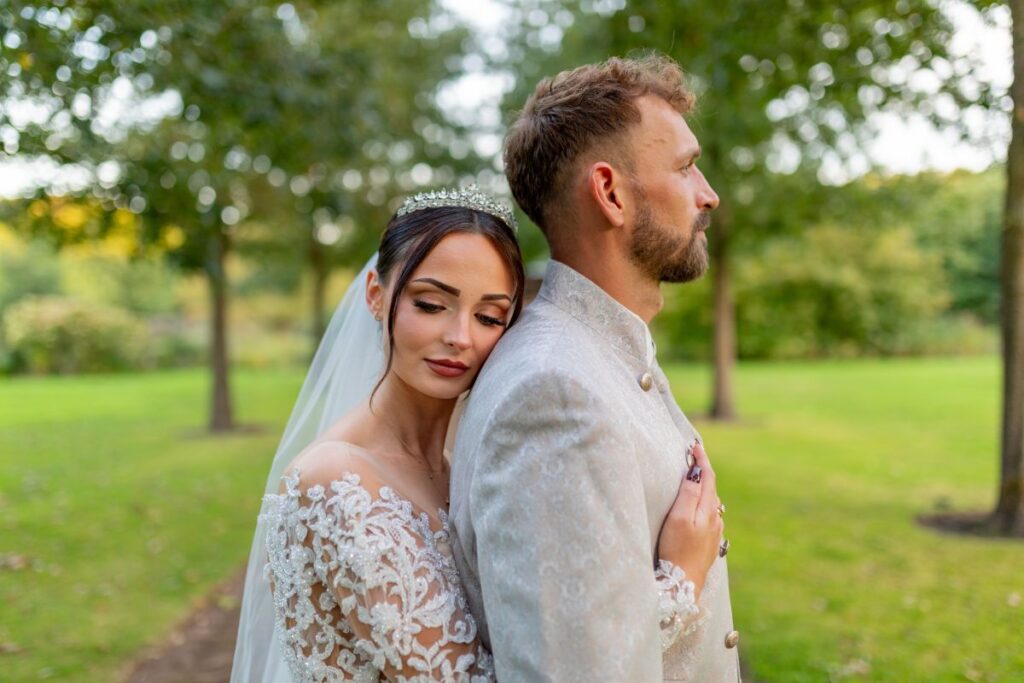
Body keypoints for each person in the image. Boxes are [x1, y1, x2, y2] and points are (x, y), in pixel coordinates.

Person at [230, 186, 722, 682]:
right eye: (430, 304)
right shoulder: (334, 484)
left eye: (489, 316)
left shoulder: (470, 455)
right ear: (377, 297)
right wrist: (680, 581)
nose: (460, 337)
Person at [449, 55, 740, 681]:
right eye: (686, 167)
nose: (708, 193)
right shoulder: (553, 394)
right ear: (609, 193)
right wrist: (681, 583)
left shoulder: (602, 355)